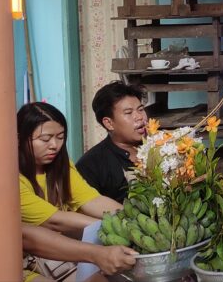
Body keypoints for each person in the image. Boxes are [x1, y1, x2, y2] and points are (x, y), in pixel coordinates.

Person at [18, 102, 136, 278]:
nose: (54, 145)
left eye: (60, 137)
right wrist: (117, 226)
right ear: (19, 138)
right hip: (28, 264)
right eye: (45, 139)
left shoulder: (61, 166)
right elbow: (54, 220)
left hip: (65, 255)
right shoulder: (13, 180)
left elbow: (92, 200)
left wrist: (133, 217)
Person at [76, 81, 148, 203]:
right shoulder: (90, 165)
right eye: (128, 113)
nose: (139, 117)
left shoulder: (162, 146)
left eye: (140, 109)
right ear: (109, 123)